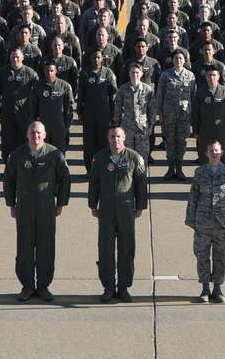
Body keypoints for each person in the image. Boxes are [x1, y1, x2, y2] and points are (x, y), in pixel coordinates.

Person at [4, 121, 71, 302]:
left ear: (45, 134)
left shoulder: (54, 154)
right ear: (27, 135)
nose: (36, 136)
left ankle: (43, 286)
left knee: (46, 245)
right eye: (32, 132)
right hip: (24, 206)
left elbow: (65, 178)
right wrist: (11, 204)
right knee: (25, 245)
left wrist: (60, 203)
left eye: (39, 132)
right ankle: (27, 286)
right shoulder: (17, 155)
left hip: (46, 206)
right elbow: (8, 180)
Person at [88, 127, 149, 303]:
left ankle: (123, 287)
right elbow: (94, 182)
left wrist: (140, 206)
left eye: (119, 137)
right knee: (106, 249)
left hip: (126, 208)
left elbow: (140, 183)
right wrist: (93, 204)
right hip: (106, 209)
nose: (116, 140)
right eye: (113, 136)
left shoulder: (133, 157)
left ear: (125, 138)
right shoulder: (99, 158)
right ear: (108, 138)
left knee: (126, 248)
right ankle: (108, 287)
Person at [186, 140, 225, 304]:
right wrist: (190, 218)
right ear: (206, 153)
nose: (214, 153)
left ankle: (217, 288)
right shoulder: (200, 172)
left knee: (221, 255)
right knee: (202, 255)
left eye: (216, 150)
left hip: (222, 222)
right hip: (203, 221)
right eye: (211, 150)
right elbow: (193, 196)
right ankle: (204, 288)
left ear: (222, 152)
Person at [156, 48, 196, 180]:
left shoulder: (190, 76)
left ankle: (179, 169)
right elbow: (160, 95)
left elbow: (193, 96)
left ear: (185, 60)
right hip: (169, 115)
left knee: (181, 142)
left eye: (181, 58)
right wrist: (160, 113)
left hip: (184, 116)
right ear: (172, 60)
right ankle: (170, 168)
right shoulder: (166, 75)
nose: (178, 60)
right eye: (176, 58)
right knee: (169, 141)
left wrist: (192, 115)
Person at [77, 49, 118, 173]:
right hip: (89, 111)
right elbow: (81, 93)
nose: (96, 60)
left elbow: (113, 94)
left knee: (103, 140)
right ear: (90, 59)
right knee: (89, 141)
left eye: (98, 57)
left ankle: (103, 168)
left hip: (104, 112)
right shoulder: (84, 73)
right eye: (94, 57)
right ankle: (90, 170)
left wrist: (113, 113)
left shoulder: (108, 73)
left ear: (102, 59)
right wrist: (79, 110)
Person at [28, 59, 76, 154]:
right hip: (43, 123)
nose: (49, 73)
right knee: (43, 151)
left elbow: (69, 107)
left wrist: (67, 125)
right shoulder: (38, 86)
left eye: (51, 71)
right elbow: (33, 105)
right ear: (44, 71)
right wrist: (33, 122)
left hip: (59, 124)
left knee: (60, 151)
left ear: (56, 71)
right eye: (47, 71)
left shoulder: (64, 86)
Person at [191, 64, 225, 163]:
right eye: (209, 75)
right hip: (204, 129)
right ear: (206, 76)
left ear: (219, 76)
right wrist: (195, 131)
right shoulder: (200, 93)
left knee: (220, 155)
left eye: (214, 75)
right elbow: (195, 113)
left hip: (220, 130)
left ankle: (221, 177)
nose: (212, 78)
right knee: (204, 155)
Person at [113, 63, 157, 161]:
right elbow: (118, 108)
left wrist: (151, 126)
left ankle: (142, 176)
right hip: (127, 128)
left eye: (137, 72)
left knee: (142, 157)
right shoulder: (123, 89)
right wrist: (117, 125)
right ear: (129, 73)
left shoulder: (147, 89)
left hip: (142, 128)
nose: (135, 75)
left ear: (141, 74)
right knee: (127, 156)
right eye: (132, 72)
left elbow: (152, 109)